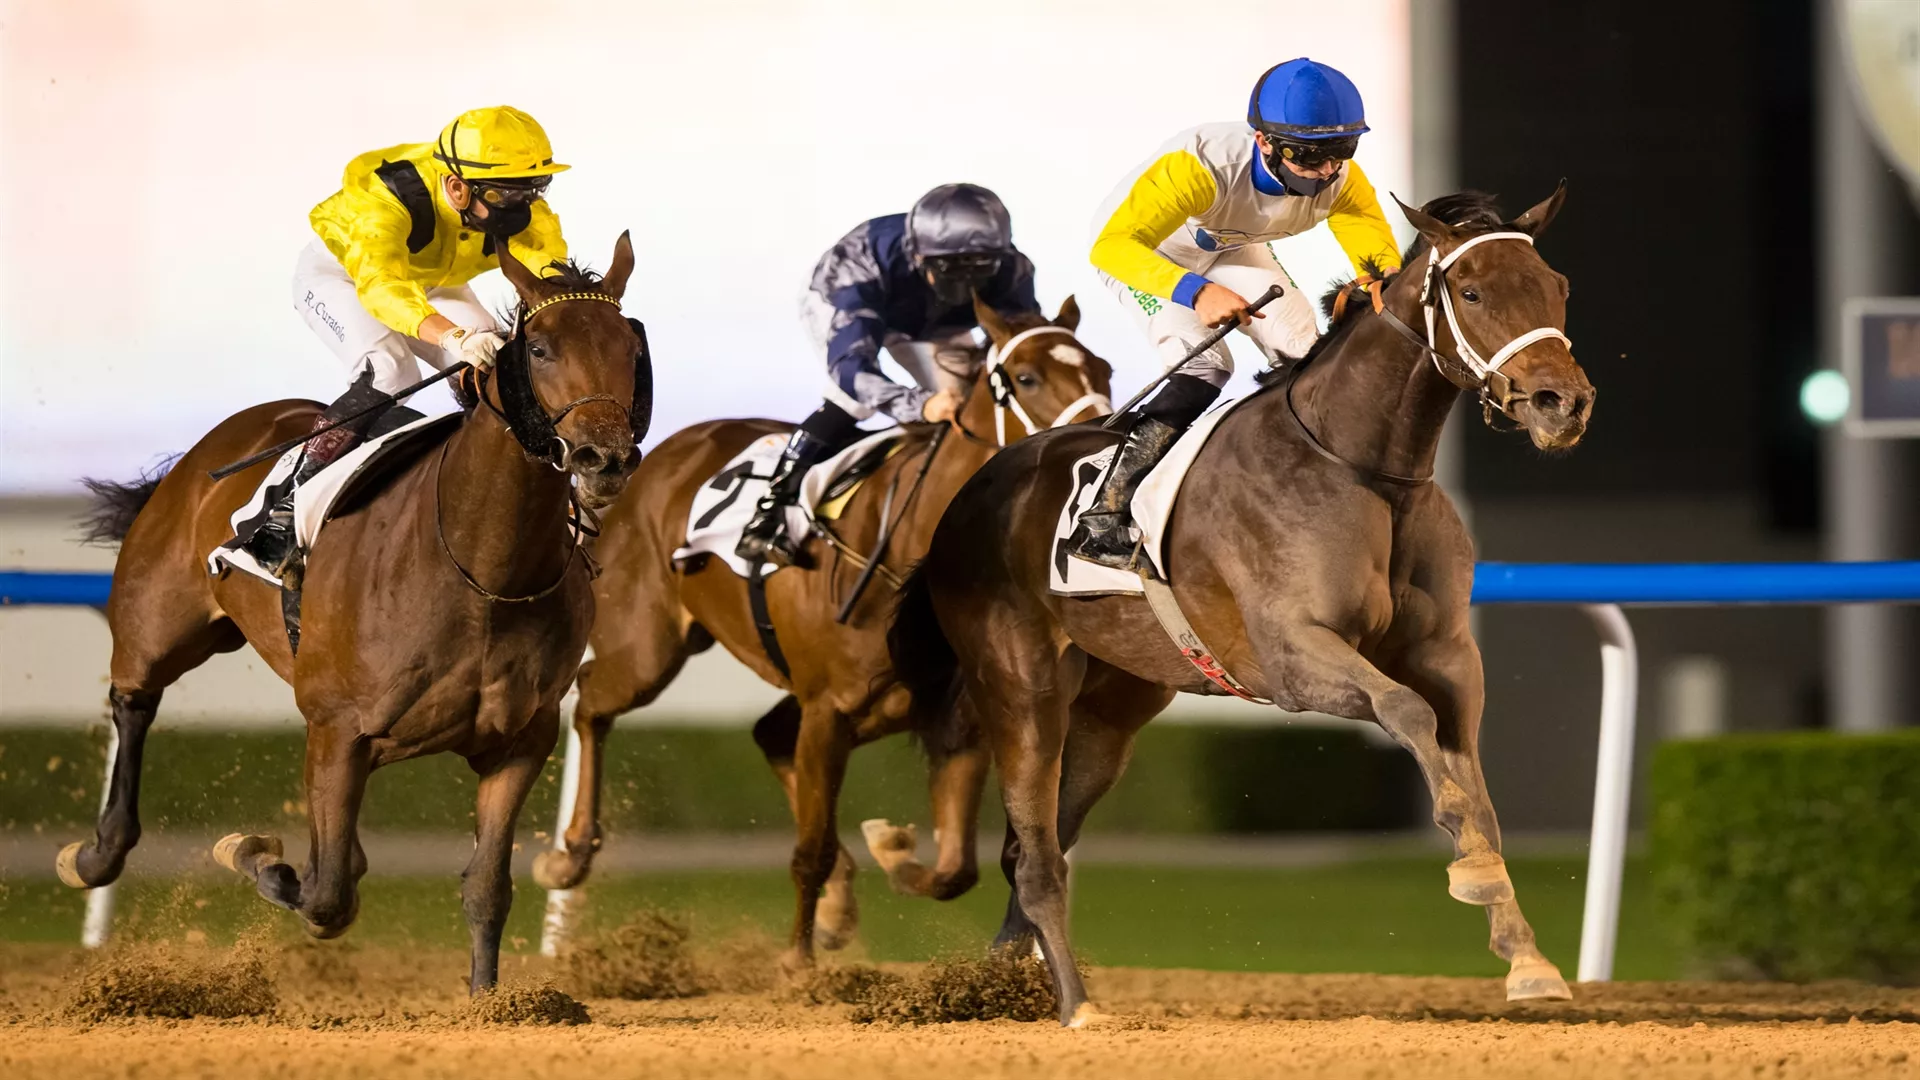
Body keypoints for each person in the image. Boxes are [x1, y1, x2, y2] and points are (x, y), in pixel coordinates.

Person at [1069, 58, 1404, 568]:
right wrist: (1195, 291)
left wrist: (1380, 279)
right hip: (1149, 255)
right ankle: (1105, 510)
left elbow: (1360, 220)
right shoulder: (1202, 166)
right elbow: (1113, 247)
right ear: (1263, 141)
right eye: (1308, 155)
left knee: (1309, 354)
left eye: (1342, 152)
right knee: (1207, 366)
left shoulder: (1340, 178)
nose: (1327, 171)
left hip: (1228, 245)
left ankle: (1302, 486)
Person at [235, 106, 572, 582]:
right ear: (457, 187)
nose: (520, 208)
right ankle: (284, 510)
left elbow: (549, 275)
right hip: (346, 277)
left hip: (434, 281)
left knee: (497, 366)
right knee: (391, 370)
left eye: (532, 190)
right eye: (503, 194)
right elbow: (382, 288)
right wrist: (452, 335)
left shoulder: (515, 207)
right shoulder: (388, 196)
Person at [734, 183, 1043, 567]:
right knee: (854, 401)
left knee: (968, 402)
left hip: (936, 324)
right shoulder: (857, 268)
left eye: (981, 270)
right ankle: (769, 512)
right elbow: (852, 369)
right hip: (850, 305)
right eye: (951, 271)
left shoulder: (1012, 266)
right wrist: (921, 404)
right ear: (918, 255)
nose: (966, 286)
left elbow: (1021, 345)